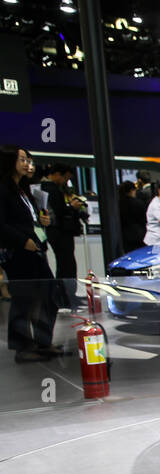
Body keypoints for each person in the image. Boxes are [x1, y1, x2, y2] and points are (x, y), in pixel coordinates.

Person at [0, 144, 63, 362]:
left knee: (48, 294)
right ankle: (22, 347)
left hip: (35, 249)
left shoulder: (24, 189)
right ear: (10, 163)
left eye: (28, 160)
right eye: (22, 160)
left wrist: (41, 220)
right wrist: (22, 240)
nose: (27, 164)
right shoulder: (3, 189)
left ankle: (42, 342)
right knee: (24, 299)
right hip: (18, 252)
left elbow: (30, 218)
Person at [40, 162, 89, 306]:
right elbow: (60, 212)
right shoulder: (51, 189)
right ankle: (66, 298)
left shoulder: (49, 188)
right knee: (66, 265)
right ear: (57, 174)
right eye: (65, 178)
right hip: (59, 232)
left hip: (57, 232)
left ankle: (67, 297)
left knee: (65, 264)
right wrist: (72, 207)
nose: (65, 182)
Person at [119, 179, 147, 251]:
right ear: (132, 190)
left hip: (123, 235)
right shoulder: (138, 203)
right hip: (138, 235)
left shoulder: (118, 203)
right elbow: (144, 220)